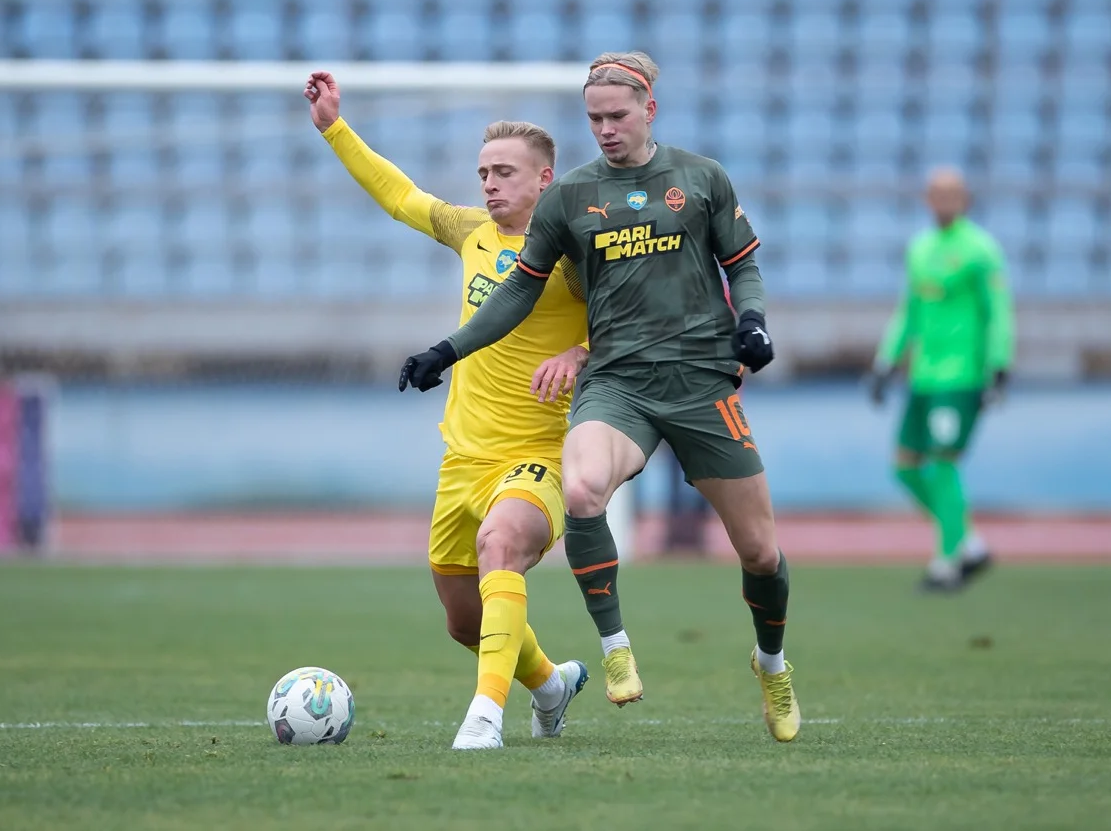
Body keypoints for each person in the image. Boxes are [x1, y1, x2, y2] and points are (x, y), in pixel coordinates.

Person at [398, 52, 800, 743]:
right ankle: (615, 650)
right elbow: (518, 290)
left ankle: (772, 663)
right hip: (618, 383)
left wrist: (754, 321)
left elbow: (744, 267)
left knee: (761, 552)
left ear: (649, 110)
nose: (606, 129)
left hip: (699, 381)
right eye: (594, 119)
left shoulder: (701, 178)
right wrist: (449, 348)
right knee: (582, 489)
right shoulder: (571, 197)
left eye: (617, 116)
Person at [306, 71, 591, 749]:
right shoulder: (471, 231)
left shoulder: (577, 255)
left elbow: (634, 322)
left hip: (541, 452)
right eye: (483, 173)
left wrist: (580, 351)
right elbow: (401, 197)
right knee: (465, 621)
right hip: (464, 458)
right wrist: (334, 128)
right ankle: (550, 686)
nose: (489, 185)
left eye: (504, 173)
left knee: (502, 544)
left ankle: (484, 716)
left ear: (545, 178)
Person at [864, 167, 1016, 593]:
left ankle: (946, 564)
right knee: (904, 466)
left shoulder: (980, 249)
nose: (943, 201)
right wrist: (886, 361)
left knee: (944, 463)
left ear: (965, 199)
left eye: (951, 194)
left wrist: (1000, 365)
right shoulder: (920, 248)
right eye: (936, 193)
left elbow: (998, 311)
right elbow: (909, 312)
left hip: (961, 376)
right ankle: (970, 544)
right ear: (927, 199)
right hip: (923, 377)